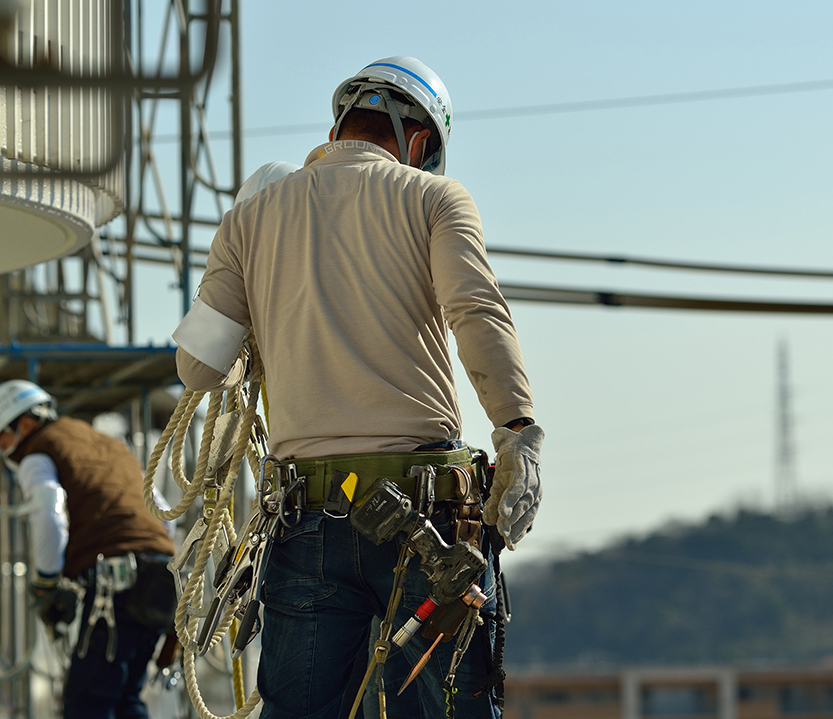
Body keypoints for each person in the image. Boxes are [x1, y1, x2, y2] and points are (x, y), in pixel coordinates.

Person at [172, 55, 543, 719]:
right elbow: (476, 314)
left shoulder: (249, 220)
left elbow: (199, 367)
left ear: (340, 124)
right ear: (421, 143)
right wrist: (517, 432)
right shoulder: (434, 197)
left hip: (306, 515)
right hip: (428, 517)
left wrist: (259, 292)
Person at [0, 379, 177, 719]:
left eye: (2, 437)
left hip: (116, 584)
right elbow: (163, 515)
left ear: (25, 423)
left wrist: (47, 582)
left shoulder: (38, 450)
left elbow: (48, 514)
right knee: (126, 699)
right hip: (162, 577)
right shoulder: (110, 446)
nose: (4, 448)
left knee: (86, 705)